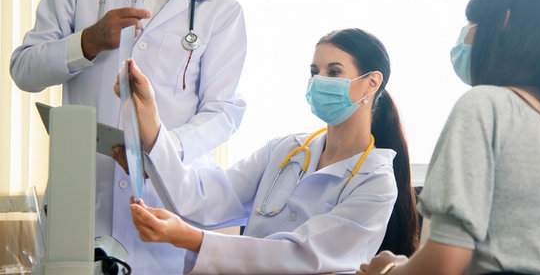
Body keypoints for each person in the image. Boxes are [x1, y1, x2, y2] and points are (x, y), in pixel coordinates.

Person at [8, 0, 246, 273]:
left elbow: (223, 111)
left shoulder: (222, 10)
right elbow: (24, 70)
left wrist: (161, 152)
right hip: (83, 198)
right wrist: (87, 42)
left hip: (165, 202)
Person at [357, 0, 540, 275]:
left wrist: (387, 270)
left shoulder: (486, 105)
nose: (465, 36)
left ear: (503, 23)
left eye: (471, 24)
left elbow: (445, 263)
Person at [114, 29, 418, 274]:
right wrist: (150, 119)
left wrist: (191, 238)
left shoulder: (376, 182)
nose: (318, 81)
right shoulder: (286, 149)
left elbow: (299, 255)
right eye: (315, 71)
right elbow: (203, 197)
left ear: (371, 83)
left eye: (333, 71)